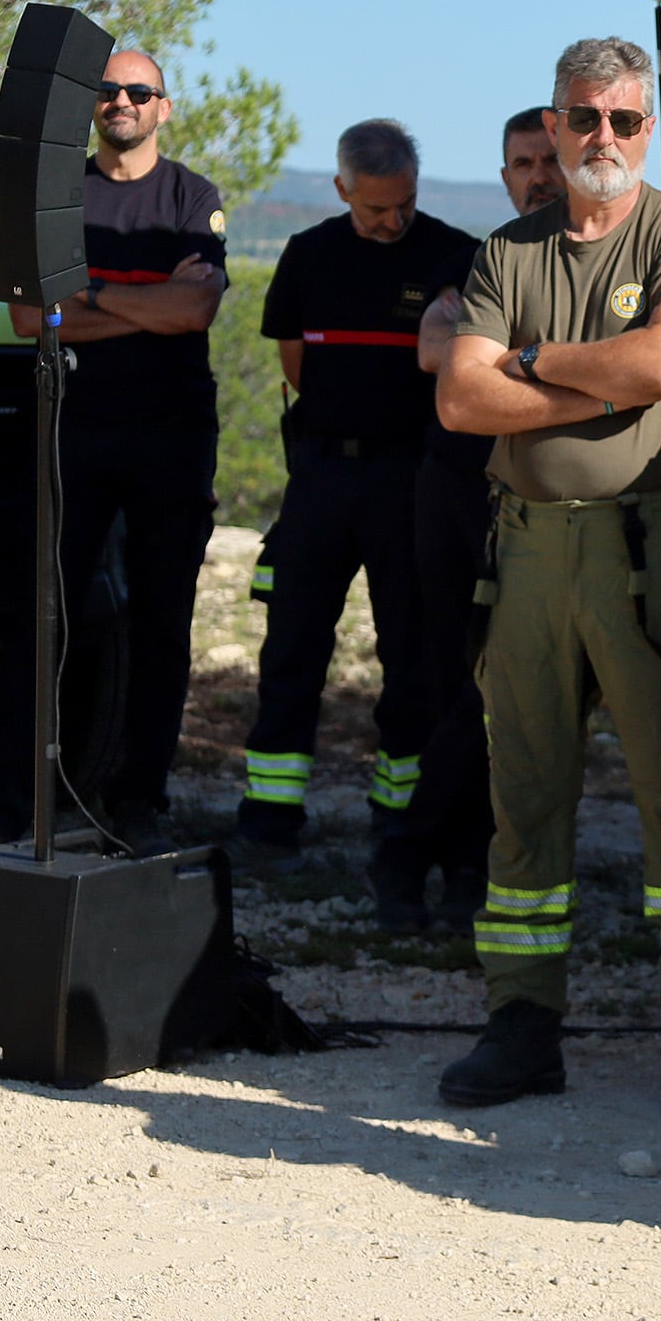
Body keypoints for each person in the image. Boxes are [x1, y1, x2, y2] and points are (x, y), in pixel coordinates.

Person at [436, 38, 661, 1129]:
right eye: (581, 120)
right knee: (523, 793)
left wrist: (530, 359)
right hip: (526, 550)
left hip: (648, 549)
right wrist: (587, 380)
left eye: (621, 120)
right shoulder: (507, 248)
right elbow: (461, 402)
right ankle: (521, 1023)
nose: (600, 140)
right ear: (555, 127)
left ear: (646, 129)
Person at [0, 50, 227, 841]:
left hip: (170, 435)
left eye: (138, 91)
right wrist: (147, 304)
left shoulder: (192, 197)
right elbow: (31, 319)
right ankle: (20, 797)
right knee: (44, 617)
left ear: (164, 107)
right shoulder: (55, 196)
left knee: (162, 622)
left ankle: (140, 798)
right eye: (108, 91)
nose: (120, 101)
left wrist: (87, 294)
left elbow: (197, 311)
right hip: (74, 426)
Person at [232, 120, 477, 860]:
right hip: (321, 478)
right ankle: (271, 817)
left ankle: (398, 818)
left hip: (412, 479)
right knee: (293, 643)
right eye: (375, 208)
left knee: (410, 649)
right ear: (342, 190)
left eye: (403, 203)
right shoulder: (309, 256)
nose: (393, 220)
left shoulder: (451, 253)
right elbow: (294, 362)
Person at [383, 107, 564, 933]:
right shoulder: (483, 256)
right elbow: (433, 351)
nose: (536, 176)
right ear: (504, 176)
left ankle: (427, 854)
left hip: (544, 500)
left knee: (508, 689)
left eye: (548, 161)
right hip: (454, 490)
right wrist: (551, 362)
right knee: (456, 678)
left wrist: (502, 358)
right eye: (522, 162)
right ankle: (444, 861)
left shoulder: (601, 264)